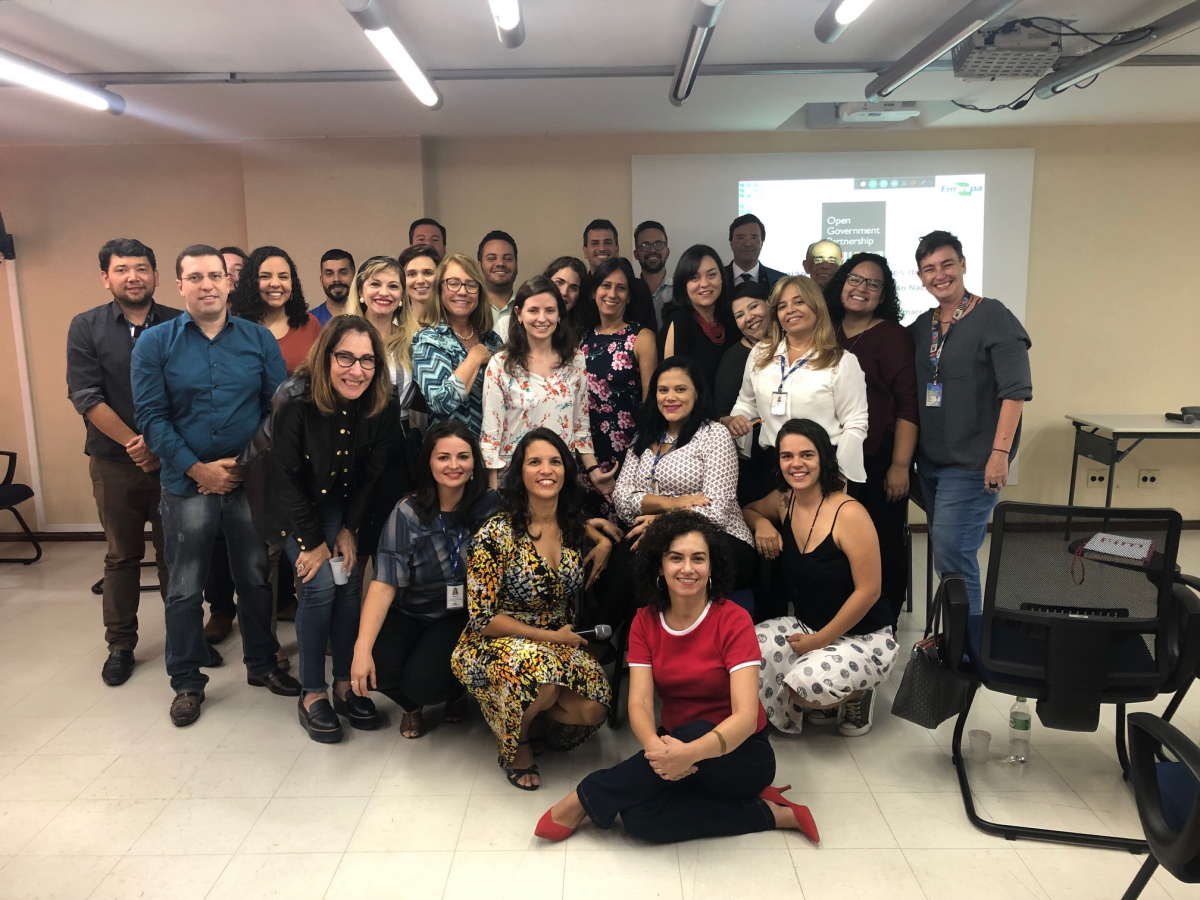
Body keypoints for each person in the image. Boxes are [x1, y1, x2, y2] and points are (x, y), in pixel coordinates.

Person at [535, 511, 819, 844]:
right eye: (676, 558)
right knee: (639, 819)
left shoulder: (734, 620)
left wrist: (691, 752)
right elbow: (640, 702)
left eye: (698, 558)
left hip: (740, 754)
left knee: (696, 730)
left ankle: (585, 797)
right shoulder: (644, 622)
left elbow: (744, 717)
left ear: (711, 566)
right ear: (659, 566)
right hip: (674, 747)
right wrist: (655, 748)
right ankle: (773, 813)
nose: (688, 568)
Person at [132, 244, 300, 727]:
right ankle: (186, 681)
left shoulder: (257, 339)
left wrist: (243, 466)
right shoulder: (155, 343)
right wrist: (198, 469)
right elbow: (151, 417)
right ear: (179, 285)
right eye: (195, 277)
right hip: (185, 485)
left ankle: (262, 664)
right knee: (185, 587)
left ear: (229, 283)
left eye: (215, 276)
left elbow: (276, 410)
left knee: (255, 577)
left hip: (247, 482)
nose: (206, 285)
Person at [258, 316, 397, 742]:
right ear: (325, 357)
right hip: (287, 499)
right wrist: (313, 541)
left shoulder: (382, 400)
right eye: (346, 357)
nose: (357, 370)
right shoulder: (293, 398)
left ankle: (344, 684)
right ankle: (312, 692)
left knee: (348, 577)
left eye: (367, 360)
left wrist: (348, 529)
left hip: (339, 498)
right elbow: (285, 478)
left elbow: (372, 475)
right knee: (319, 584)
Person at [451, 429, 613, 790]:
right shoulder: (496, 533)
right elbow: (483, 618)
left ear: (566, 470)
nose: (546, 470)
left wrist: (603, 541)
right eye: (535, 462)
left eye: (555, 461)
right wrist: (550, 638)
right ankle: (517, 743)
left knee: (594, 707)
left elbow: (588, 531)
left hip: (558, 639)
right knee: (542, 678)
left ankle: (528, 712)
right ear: (519, 472)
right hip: (495, 640)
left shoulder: (572, 526)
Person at [67, 238, 181, 686]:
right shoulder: (86, 327)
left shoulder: (180, 323)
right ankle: (120, 645)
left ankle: (183, 640)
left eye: (141, 268)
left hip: (173, 462)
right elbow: (85, 395)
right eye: (121, 269)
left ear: (155, 275)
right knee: (121, 556)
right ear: (106, 277)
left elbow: (191, 392)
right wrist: (137, 443)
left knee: (176, 555)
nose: (133, 277)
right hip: (114, 462)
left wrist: (160, 445)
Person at [745, 419, 898, 736]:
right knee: (745, 651)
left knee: (806, 688)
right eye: (787, 456)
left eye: (807, 455)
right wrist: (763, 525)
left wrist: (820, 641)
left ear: (824, 458)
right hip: (808, 624)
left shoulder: (849, 512)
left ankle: (859, 692)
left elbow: (869, 591)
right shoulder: (784, 500)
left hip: (863, 635)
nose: (796, 464)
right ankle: (825, 691)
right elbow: (748, 510)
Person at [350, 421, 501, 738]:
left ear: (474, 462)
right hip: (410, 609)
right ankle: (412, 708)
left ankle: (454, 693)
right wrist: (361, 649)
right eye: (443, 457)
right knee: (377, 664)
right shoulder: (408, 511)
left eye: (463, 456)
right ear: (428, 462)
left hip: (460, 614)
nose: (453, 465)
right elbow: (384, 583)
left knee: (425, 682)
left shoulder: (490, 505)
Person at [909, 230, 1032, 614]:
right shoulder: (923, 325)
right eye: (929, 269)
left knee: (955, 555)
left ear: (963, 264)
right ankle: (956, 636)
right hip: (931, 463)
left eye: (947, 264)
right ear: (920, 277)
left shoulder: (994, 316)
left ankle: (970, 642)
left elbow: (1015, 392)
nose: (939, 274)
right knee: (949, 555)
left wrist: (1000, 454)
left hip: (973, 463)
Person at [597, 356, 761, 626]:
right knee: (630, 554)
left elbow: (715, 511)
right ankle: (617, 638)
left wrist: (660, 522)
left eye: (680, 389)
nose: (670, 397)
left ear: (697, 393)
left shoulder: (715, 435)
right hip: (657, 534)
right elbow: (622, 501)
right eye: (663, 390)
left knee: (642, 558)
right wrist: (671, 504)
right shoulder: (643, 437)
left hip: (722, 540)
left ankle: (610, 638)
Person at [825, 253, 919, 625]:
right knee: (834, 542)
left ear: (883, 294)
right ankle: (838, 621)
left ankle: (882, 624)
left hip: (877, 460)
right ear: (841, 283)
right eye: (854, 279)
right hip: (828, 459)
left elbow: (908, 406)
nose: (861, 288)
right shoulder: (824, 329)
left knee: (881, 543)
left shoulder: (894, 336)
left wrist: (900, 465)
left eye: (873, 283)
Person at [723, 275, 869, 498]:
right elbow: (747, 402)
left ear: (816, 305)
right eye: (782, 306)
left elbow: (855, 422)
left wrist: (840, 476)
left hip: (821, 466)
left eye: (799, 302)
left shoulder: (840, 361)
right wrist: (736, 419)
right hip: (773, 465)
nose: (790, 310)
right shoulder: (760, 353)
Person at [480, 276, 613, 496]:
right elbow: (490, 435)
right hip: (514, 477)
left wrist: (593, 471)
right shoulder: (501, 363)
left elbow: (580, 426)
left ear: (559, 315)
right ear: (518, 314)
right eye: (533, 310)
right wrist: (492, 492)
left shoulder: (575, 360)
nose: (542, 318)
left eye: (550, 310)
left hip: (559, 475)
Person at [349, 257, 423, 570]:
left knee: (393, 544)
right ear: (361, 291)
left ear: (402, 295)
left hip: (397, 449)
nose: (384, 292)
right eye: (375, 284)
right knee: (353, 547)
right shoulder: (343, 335)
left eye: (393, 286)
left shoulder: (413, 339)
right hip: (352, 445)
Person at [576, 257, 657, 519]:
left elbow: (651, 403)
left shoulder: (641, 338)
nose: (612, 294)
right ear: (593, 292)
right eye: (605, 285)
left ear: (629, 296)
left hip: (628, 450)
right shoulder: (579, 337)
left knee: (626, 522)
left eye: (620, 288)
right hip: (585, 451)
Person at [412, 253, 503, 434]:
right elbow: (441, 401)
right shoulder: (428, 340)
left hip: (494, 445)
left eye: (471, 285)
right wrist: (474, 359)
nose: (462, 291)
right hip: (449, 446)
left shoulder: (492, 340)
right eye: (453, 283)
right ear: (439, 289)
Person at [712, 281, 771, 506]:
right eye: (740, 315)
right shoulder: (734, 357)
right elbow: (719, 411)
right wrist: (730, 421)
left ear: (769, 304)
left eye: (754, 307)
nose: (749, 317)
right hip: (753, 459)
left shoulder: (795, 344)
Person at [230, 245, 321, 375]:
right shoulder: (234, 327)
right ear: (251, 282)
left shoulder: (310, 324)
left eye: (283, 277)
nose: (275, 284)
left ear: (292, 283)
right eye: (265, 276)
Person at [660, 244, 738, 391]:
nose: (704, 284)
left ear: (722, 278)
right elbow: (671, 387)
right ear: (684, 285)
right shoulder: (679, 322)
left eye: (711, 275)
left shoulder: (732, 320)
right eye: (694, 277)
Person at [582, 218, 657, 331]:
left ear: (617, 249)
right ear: (585, 251)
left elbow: (651, 331)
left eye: (608, 242)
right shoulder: (579, 289)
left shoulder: (639, 288)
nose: (602, 248)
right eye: (595, 243)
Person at [477, 230, 519, 341]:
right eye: (491, 258)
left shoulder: (528, 307)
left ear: (517, 266)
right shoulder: (470, 308)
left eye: (507, 258)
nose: (500, 263)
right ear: (479, 266)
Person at [726, 214, 785, 291]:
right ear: (731, 243)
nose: (748, 244)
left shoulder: (780, 281)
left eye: (754, 237)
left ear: (762, 242)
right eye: (740, 238)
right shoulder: (718, 278)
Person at [633, 220, 672, 326]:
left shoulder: (681, 291)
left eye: (658, 244)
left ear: (667, 252)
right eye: (645, 245)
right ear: (636, 254)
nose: (652, 250)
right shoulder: (629, 292)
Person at [543, 255, 591, 338]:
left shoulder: (584, 336)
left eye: (573, 288)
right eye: (559, 283)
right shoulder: (527, 321)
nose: (564, 292)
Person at [313, 248, 355, 325]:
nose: (336, 279)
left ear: (354, 277)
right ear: (321, 280)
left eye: (343, 273)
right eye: (329, 274)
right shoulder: (310, 321)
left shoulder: (367, 316)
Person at [398, 244, 441, 316]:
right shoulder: (391, 321)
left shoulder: (453, 320)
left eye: (427, 273)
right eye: (412, 274)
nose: (420, 281)